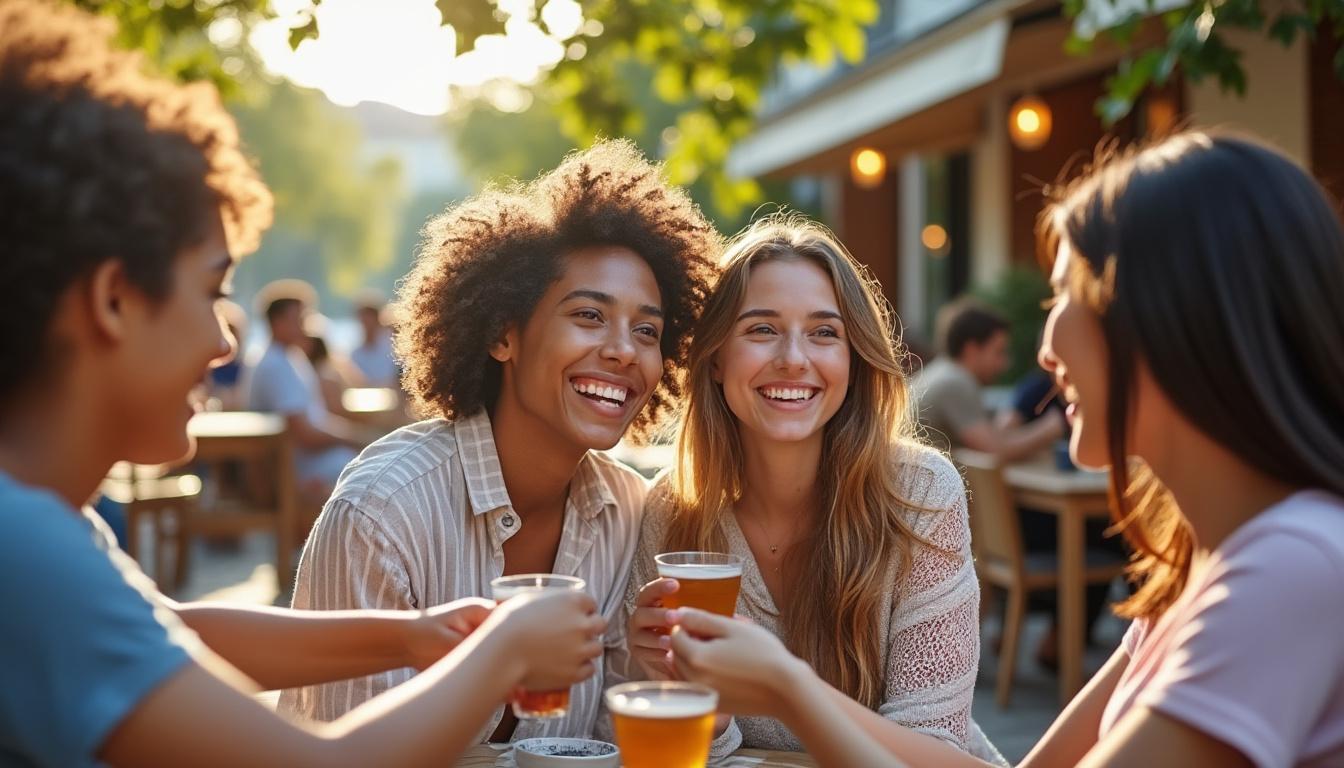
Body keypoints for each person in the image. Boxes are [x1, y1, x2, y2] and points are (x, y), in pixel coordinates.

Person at [0, 2, 605, 765]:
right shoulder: (22, 546)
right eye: (212, 290)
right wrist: (504, 651)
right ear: (114, 299)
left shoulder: (43, 529)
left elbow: (171, 630)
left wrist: (410, 635)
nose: (224, 340)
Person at [666, 131, 1344, 767]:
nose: (1044, 349)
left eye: (1066, 296)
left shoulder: (1294, 565)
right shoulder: (1194, 571)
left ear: (1175, 320)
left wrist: (786, 687)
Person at [278, 139, 720, 744]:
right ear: (502, 335)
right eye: (589, 316)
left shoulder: (628, 512)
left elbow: (609, 747)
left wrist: (665, 680)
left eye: (647, 330)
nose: (624, 350)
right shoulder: (384, 511)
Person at [621, 214, 1001, 761]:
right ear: (717, 359)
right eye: (762, 329)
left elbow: (933, 753)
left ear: (853, 358)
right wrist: (699, 707)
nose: (794, 360)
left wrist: (784, 687)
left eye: (824, 333)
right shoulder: (671, 511)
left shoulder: (917, 495)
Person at [243, 280, 364, 496]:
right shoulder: (277, 365)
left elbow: (313, 420)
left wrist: (354, 436)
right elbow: (305, 433)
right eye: (300, 319)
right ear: (278, 323)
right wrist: (356, 439)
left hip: (308, 464)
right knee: (375, 472)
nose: (307, 325)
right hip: (301, 472)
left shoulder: (286, 358)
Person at [912, 298, 1065, 459]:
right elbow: (994, 451)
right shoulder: (955, 383)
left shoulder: (941, 371)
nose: (1005, 364)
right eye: (999, 352)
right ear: (971, 350)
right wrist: (1052, 427)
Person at [350, 289, 398, 388]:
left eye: (369, 317)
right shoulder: (356, 353)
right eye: (362, 318)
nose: (365, 322)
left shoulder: (393, 344)